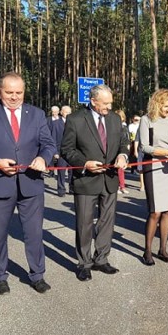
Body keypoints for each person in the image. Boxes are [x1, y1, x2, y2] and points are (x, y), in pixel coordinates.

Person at [0, 72, 56, 294]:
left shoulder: (36, 114)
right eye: (9, 92)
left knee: (34, 233)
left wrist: (42, 158)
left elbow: (48, 144)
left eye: (19, 92)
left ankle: (37, 275)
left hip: (31, 184)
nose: (15, 97)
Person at [60, 85, 128, 281]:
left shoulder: (115, 119)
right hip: (86, 180)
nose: (109, 106)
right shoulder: (75, 120)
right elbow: (67, 149)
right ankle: (84, 263)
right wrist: (84, 163)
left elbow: (123, 143)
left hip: (110, 179)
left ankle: (101, 259)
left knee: (107, 223)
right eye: (105, 103)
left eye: (110, 103)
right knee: (84, 223)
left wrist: (123, 156)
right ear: (93, 101)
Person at [138, 89, 168, 265]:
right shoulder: (146, 120)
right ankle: (147, 251)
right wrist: (167, 152)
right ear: (157, 104)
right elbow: (145, 147)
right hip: (153, 167)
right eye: (165, 106)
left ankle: (163, 249)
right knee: (155, 211)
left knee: (167, 211)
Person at [50, 105, 73, 196]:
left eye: (69, 112)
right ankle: (61, 189)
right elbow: (53, 138)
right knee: (61, 172)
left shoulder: (73, 122)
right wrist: (55, 152)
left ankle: (72, 188)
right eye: (66, 112)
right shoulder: (56, 123)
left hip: (72, 151)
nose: (68, 114)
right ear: (61, 112)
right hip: (60, 151)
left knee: (72, 171)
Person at [114, 109, 130, 194]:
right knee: (117, 170)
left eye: (121, 117)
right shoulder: (114, 127)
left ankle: (122, 186)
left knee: (122, 169)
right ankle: (116, 186)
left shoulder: (125, 127)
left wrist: (128, 146)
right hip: (117, 150)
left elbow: (127, 139)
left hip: (124, 149)